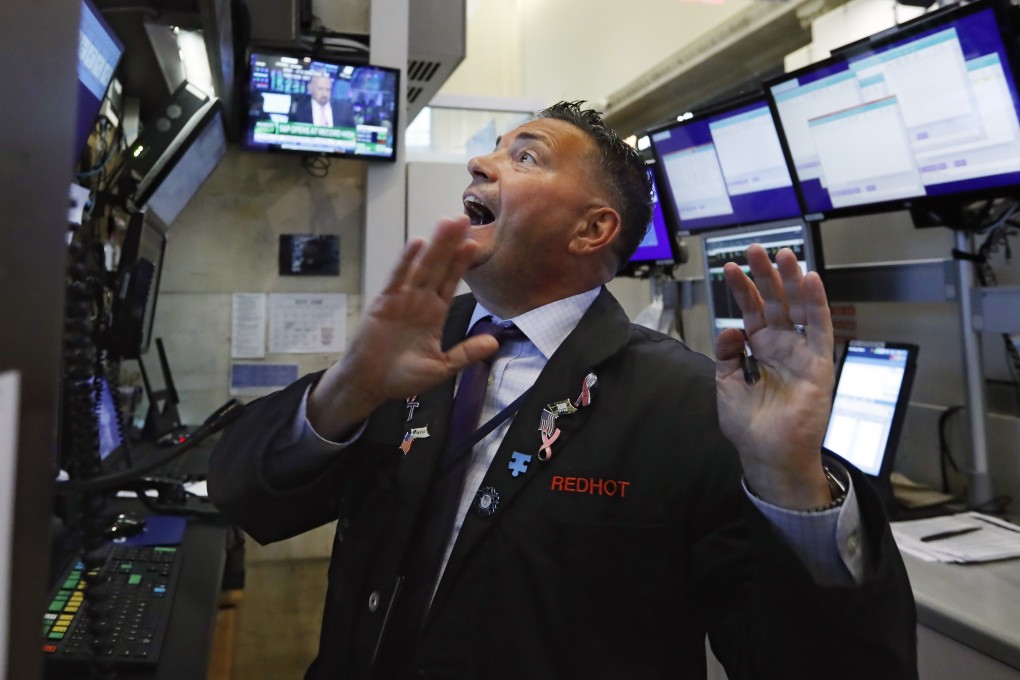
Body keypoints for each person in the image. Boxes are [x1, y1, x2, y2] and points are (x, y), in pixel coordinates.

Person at [209, 101, 917, 679]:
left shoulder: (691, 406)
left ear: (593, 229)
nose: (480, 163)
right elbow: (243, 497)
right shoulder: (405, 350)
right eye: (491, 149)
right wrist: (344, 392)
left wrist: (790, 478)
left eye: (525, 156)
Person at [291, 73, 356, 128]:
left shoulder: (344, 110)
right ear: (310, 88)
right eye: (320, 89)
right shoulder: (299, 108)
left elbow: (353, 134)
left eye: (327, 90)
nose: (324, 93)